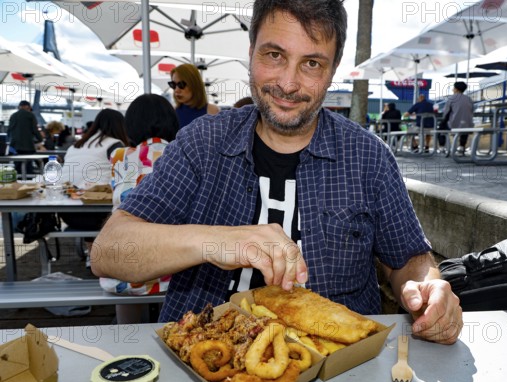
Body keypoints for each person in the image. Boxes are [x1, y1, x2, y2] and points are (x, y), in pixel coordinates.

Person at [93, 0, 462, 345]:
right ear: (250, 52)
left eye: (312, 64)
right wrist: (216, 241)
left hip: (340, 371)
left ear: (332, 71)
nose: (288, 84)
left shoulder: (368, 156)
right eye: (274, 55)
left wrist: (428, 288)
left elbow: (409, 261)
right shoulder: (201, 143)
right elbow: (108, 253)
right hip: (201, 358)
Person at [100, 94, 180, 323]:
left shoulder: (118, 156)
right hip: (168, 273)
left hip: (119, 272)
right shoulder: (181, 155)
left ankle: (125, 333)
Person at [59, 109, 129, 251]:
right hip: (98, 214)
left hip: (67, 213)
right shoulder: (115, 145)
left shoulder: (75, 145)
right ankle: (101, 253)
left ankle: (92, 251)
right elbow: (124, 178)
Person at [170, 63, 220, 128]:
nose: (176, 90)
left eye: (181, 85)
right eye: (173, 84)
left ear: (194, 84)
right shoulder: (172, 113)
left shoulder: (212, 111)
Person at [7, 100, 42, 174]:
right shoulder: (30, 115)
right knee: (28, 166)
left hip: (15, 147)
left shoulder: (13, 115)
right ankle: (28, 183)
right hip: (28, 146)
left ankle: (18, 182)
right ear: (27, 107)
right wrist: (40, 139)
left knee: (17, 166)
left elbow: (9, 130)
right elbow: (35, 130)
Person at [443, 81, 474, 156]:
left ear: (456, 89)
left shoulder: (451, 98)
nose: (452, 89)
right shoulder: (469, 99)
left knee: (443, 127)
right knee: (464, 128)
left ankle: (447, 147)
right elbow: (473, 109)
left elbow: (445, 112)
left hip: (454, 124)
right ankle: (461, 147)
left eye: (453, 88)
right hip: (468, 124)